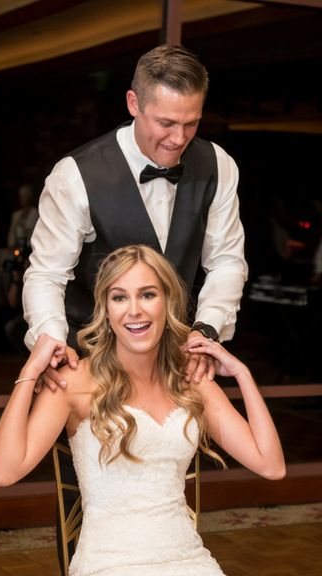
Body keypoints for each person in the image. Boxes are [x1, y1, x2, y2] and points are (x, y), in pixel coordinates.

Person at [0, 245, 304, 576]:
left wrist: (242, 375)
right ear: (105, 310)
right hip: (110, 571)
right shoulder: (74, 382)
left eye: (147, 294)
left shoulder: (193, 382)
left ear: (167, 303)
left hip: (189, 566)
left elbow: (271, 466)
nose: (134, 310)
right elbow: (4, 472)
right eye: (119, 297)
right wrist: (30, 371)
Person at [22, 44, 248, 392]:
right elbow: (47, 275)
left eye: (192, 123)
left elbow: (227, 262)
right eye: (166, 123)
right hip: (89, 362)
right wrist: (51, 342)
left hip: (175, 363)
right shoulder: (75, 175)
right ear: (133, 104)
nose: (179, 138)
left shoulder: (219, 165)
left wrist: (206, 330)